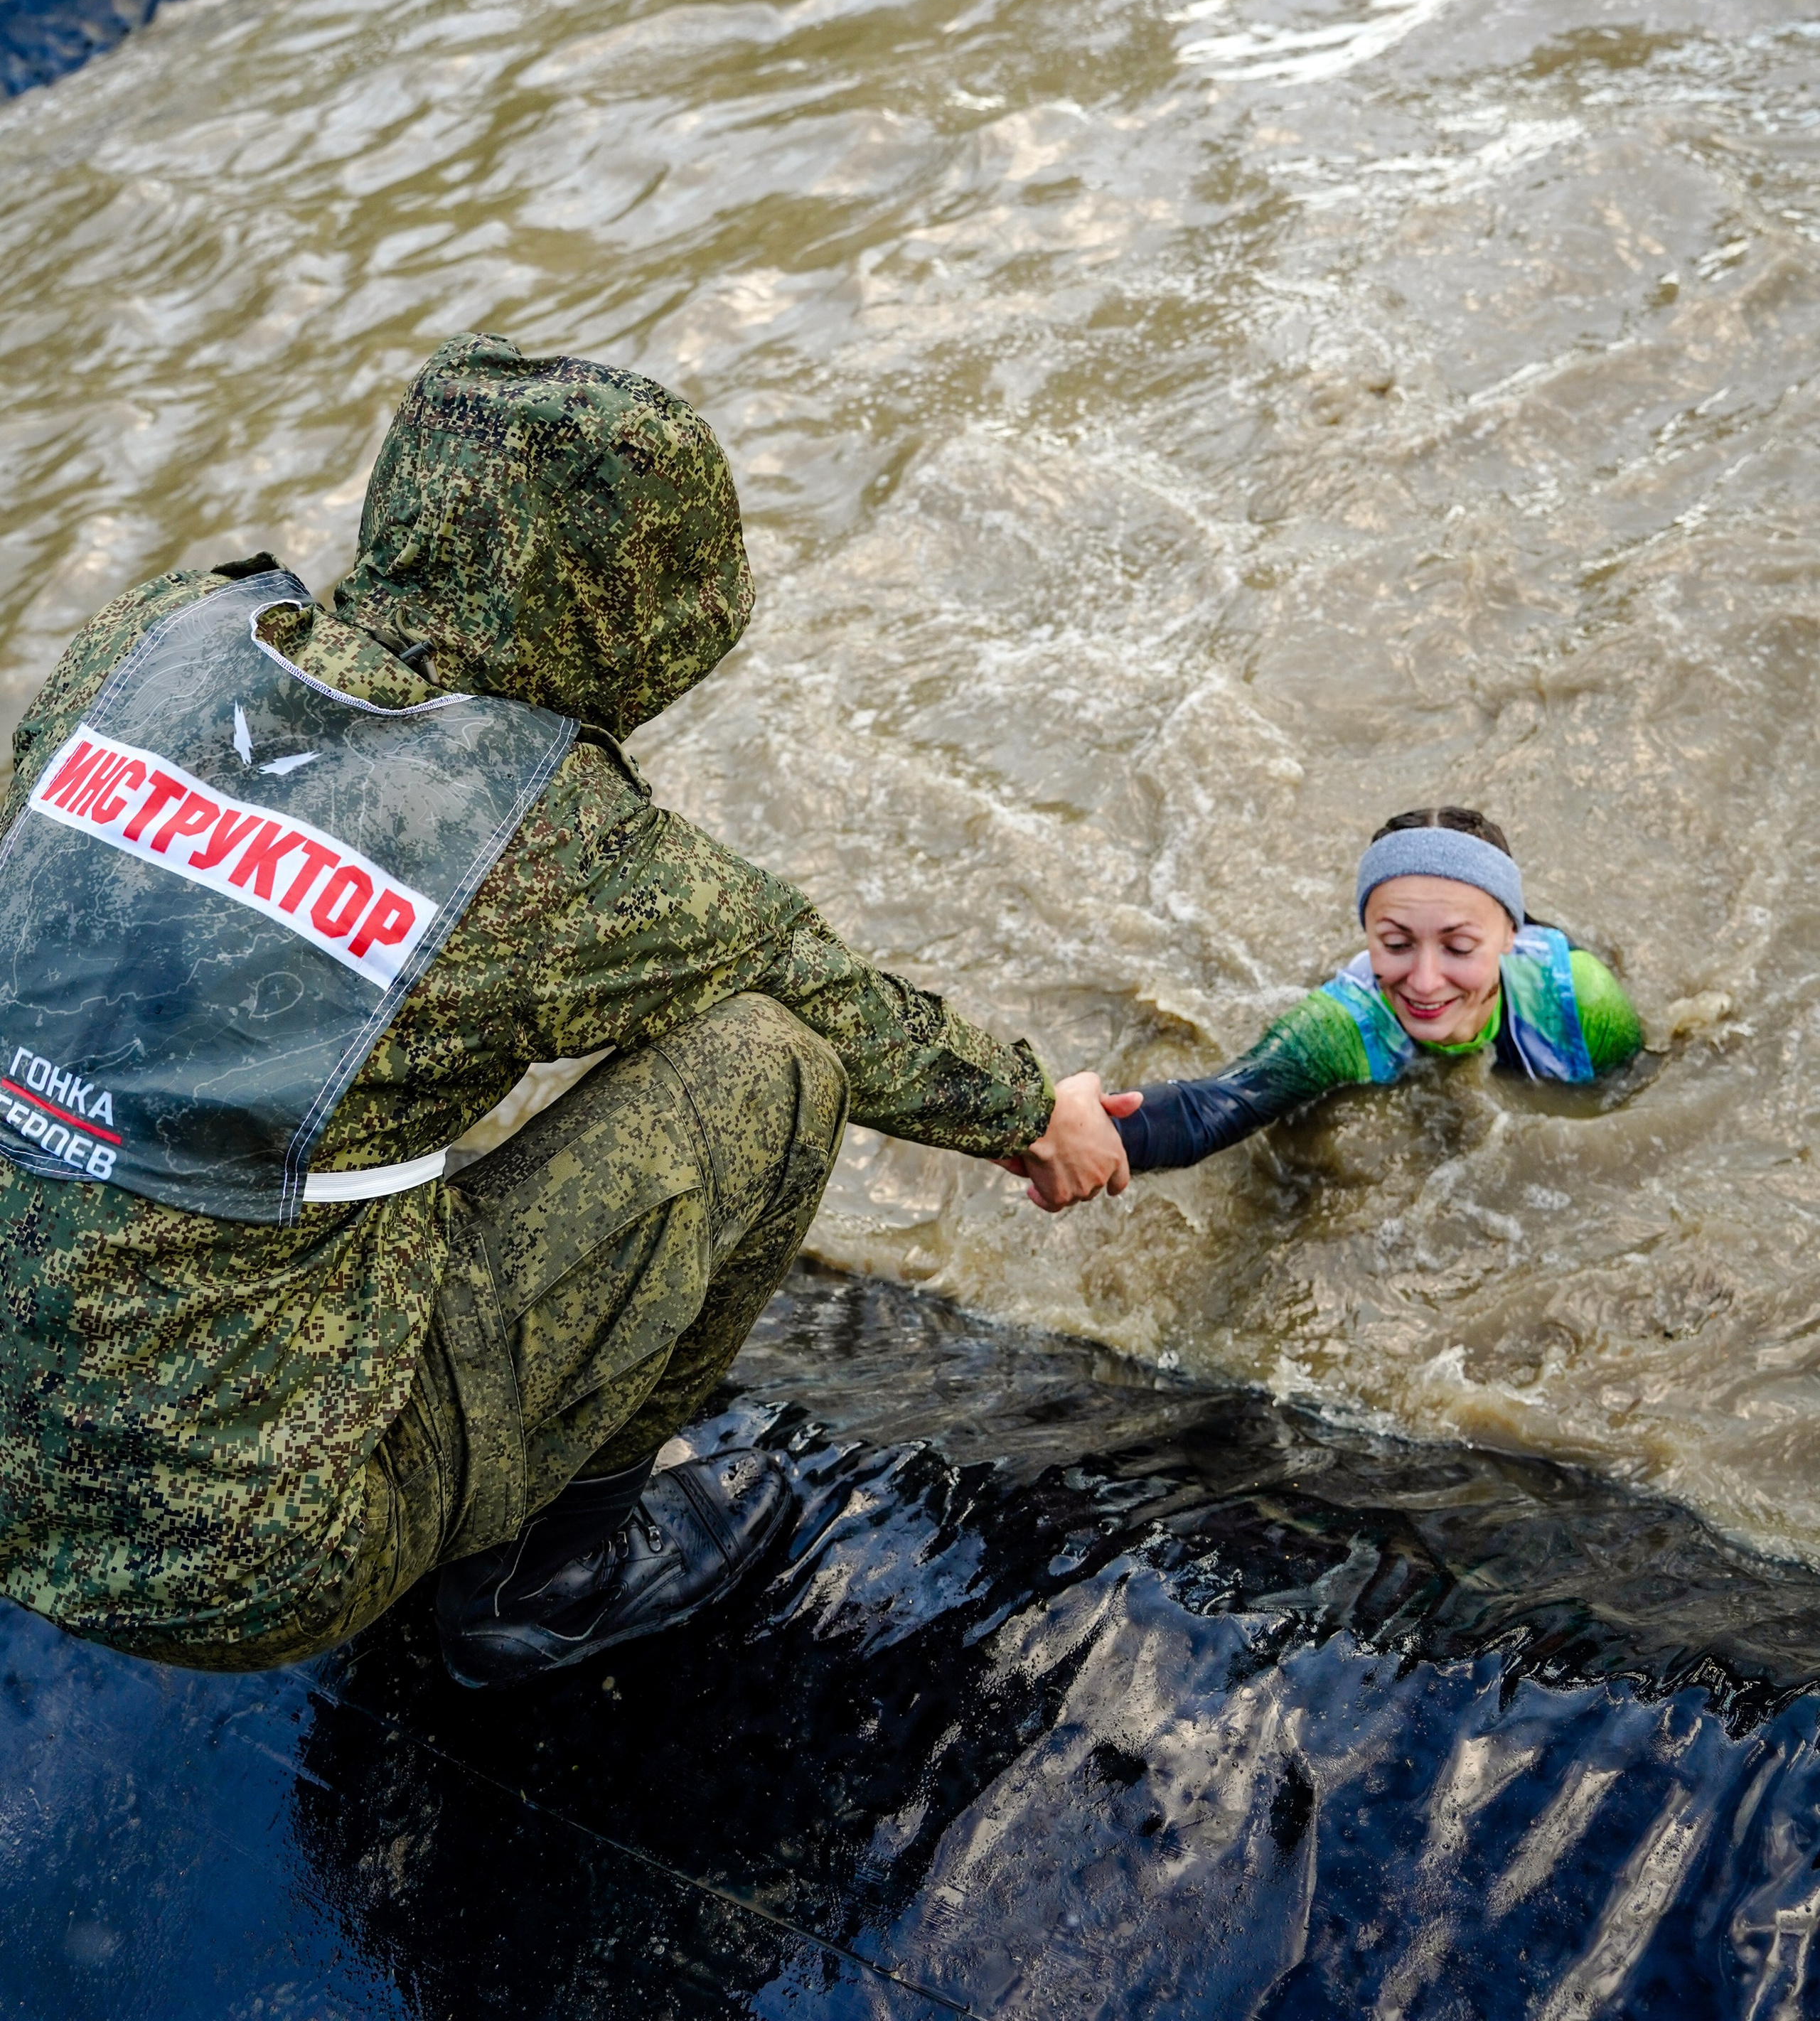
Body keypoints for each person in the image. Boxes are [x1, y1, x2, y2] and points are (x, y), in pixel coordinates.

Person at [0, 335, 1130, 1690]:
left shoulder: (158, 644)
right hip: (236, 1562)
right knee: (770, 1071)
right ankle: (552, 1575)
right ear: (634, 607)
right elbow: (821, 993)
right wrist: (1037, 1110)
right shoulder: (544, 837)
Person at [1113, 807, 1644, 1174]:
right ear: (1367, 936)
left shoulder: (1580, 1002)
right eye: (1395, 944)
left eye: (1458, 947)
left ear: (1512, 933)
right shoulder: (1341, 1024)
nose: (1425, 981)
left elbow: (1633, 1107)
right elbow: (1212, 1109)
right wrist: (1058, 1126)